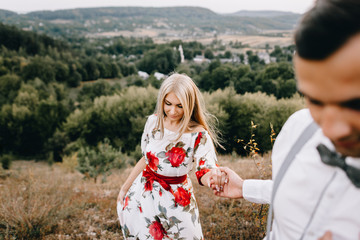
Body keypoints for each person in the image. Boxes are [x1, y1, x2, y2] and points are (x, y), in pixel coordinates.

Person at [214, 0, 360, 239]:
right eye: (315, 100)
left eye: (354, 104)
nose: (332, 129)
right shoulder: (297, 128)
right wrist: (244, 188)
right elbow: (299, 192)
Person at [117, 73, 227, 239]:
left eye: (180, 106)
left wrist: (213, 178)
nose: (172, 111)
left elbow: (206, 169)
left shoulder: (198, 135)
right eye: (168, 104)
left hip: (177, 199)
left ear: (190, 105)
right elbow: (146, 159)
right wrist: (124, 188)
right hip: (143, 194)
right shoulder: (153, 123)